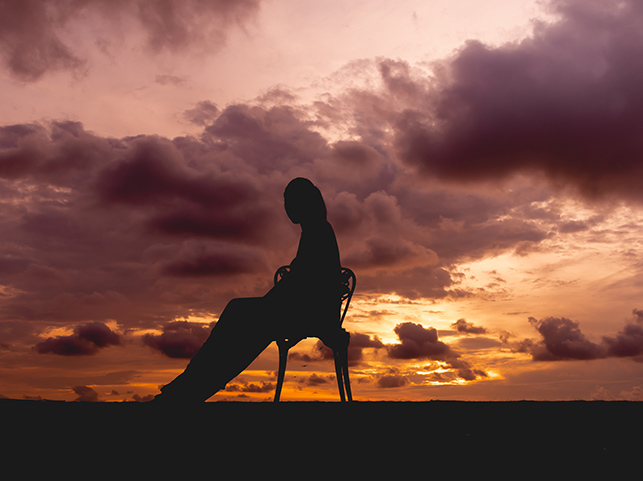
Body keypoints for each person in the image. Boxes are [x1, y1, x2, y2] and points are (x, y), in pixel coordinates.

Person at [151, 177, 341, 403]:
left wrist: (270, 303)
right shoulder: (315, 231)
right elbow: (297, 285)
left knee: (238, 319)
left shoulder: (318, 232)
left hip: (309, 315)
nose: (287, 207)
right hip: (300, 311)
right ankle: (193, 386)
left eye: (290, 201)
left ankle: (191, 387)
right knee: (240, 328)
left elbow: (306, 285)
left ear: (304, 203)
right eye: (285, 202)